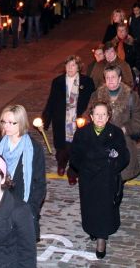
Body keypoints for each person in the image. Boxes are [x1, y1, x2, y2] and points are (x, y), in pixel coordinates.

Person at [69, 103, 129, 259]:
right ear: (91, 116)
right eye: (97, 114)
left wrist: (111, 166)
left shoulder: (115, 133)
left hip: (107, 179)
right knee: (90, 208)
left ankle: (102, 238)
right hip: (88, 179)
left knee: (104, 210)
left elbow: (124, 157)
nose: (100, 117)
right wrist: (84, 168)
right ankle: (93, 230)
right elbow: (74, 156)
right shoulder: (82, 133)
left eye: (104, 114)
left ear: (108, 116)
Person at [0, 104, 46, 238]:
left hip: (22, 202)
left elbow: (39, 182)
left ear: (21, 123)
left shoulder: (34, 148)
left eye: (11, 122)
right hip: (0, 201)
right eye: (4, 121)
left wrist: (32, 208)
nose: (6, 126)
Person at [41, 56, 95, 184]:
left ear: (78, 67)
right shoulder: (57, 81)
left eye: (73, 65)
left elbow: (92, 102)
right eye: (68, 65)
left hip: (79, 120)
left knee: (76, 147)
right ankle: (61, 163)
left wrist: (90, 118)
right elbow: (51, 101)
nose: (70, 68)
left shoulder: (87, 82)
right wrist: (45, 120)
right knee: (61, 146)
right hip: (61, 120)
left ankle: (73, 172)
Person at [88, 65, 140, 181]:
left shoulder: (131, 96)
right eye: (107, 77)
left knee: (119, 177)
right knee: (103, 175)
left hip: (123, 142)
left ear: (120, 79)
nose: (110, 80)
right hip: (102, 142)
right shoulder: (97, 95)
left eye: (113, 77)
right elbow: (89, 113)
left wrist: (126, 129)